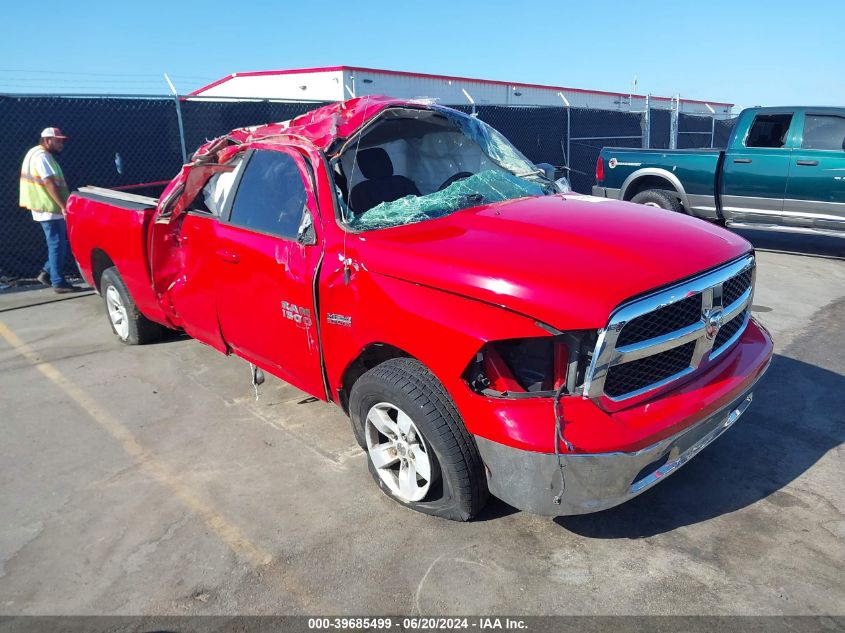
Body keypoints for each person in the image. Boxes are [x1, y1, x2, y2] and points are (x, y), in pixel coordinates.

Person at [19, 127, 79, 293]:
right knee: (57, 244)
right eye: (58, 141)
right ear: (47, 140)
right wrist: (62, 206)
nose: (61, 144)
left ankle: (47, 273)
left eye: (62, 141)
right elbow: (49, 183)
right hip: (49, 208)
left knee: (58, 244)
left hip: (45, 207)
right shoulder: (42, 156)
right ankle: (58, 282)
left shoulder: (35, 153)